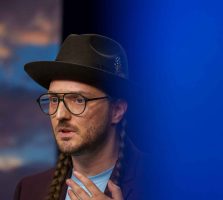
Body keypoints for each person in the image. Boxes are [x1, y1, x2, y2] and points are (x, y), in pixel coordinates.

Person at [14, 34, 150, 200]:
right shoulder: (29, 190)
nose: (60, 115)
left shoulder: (166, 182)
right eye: (54, 100)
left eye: (79, 100)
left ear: (117, 111)